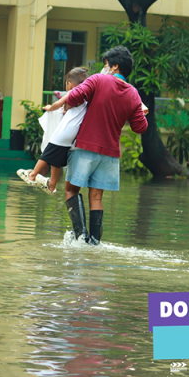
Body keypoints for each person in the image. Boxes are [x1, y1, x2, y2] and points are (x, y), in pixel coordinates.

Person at [42, 46, 149, 245]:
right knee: (97, 197)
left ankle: (81, 238)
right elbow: (139, 128)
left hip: (85, 148)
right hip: (110, 155)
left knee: (71, 189)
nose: (103, 68)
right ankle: (94, 243)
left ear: (115, 66)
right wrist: (143, 113)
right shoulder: (133, 93)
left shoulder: (98, 80)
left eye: (106, 64)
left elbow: (73, 97)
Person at [20, 68, 93, 194]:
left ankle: (32, 174)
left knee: (47, 154)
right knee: (57, 159)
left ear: (69, 84)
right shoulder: (86, 100)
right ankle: (52, 184)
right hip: (72, 135)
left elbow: (58, 104)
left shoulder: (72, 93)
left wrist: (49, 108)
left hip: (63, 132)